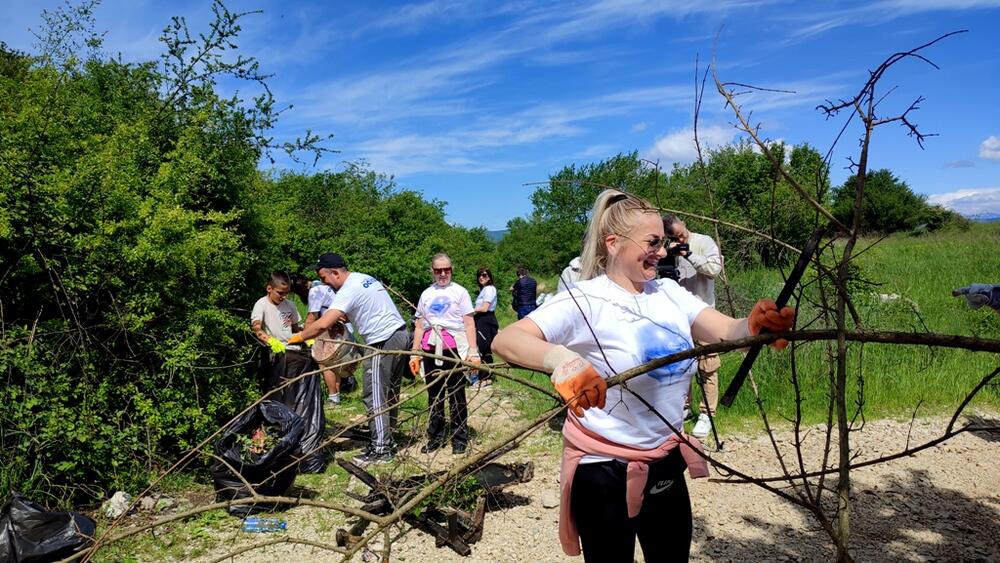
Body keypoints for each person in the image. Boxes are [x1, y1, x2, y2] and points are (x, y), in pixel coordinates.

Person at [492, 189, 795, 561]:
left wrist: (756, 324)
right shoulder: (586, 299)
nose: (663, 251)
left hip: (665, 457)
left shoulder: (668, 292)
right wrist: (563, 361)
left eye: (664, 242)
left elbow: (726, 331)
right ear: (613, 243)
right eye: (652, 242)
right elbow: (507, 340)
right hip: (602, 468)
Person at [289, 253, 411, 466]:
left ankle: (381, 449)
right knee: (390, 391)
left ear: (335, 272)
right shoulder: (364, 278)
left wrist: (296, 338)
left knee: (374, 394)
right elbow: (361, 308)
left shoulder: (347, 290)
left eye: (324, 277)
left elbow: (320, 325)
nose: (324, 283)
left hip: (381, 341)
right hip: (400, 334)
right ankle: (387, 439)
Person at [251, 271, 326, 473]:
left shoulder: (289, 305)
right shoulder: (262, 305)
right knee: (276, 398)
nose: (283, 297)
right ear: (269, 289)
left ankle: (305, 449)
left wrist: (306, 338)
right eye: (280, 293)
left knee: (299, 399)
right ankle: (269, 447)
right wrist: (270, 341)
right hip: (276, 358)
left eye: (286, 293)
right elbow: (256, 328)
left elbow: (296, 326)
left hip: (294, 355)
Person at [408, 254, 479, 455]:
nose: (442, 274)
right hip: (430, 350)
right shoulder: (426, 294)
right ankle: (436, 437)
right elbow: (419, 325)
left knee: (457, 394)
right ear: (432, 271)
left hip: (453, 349)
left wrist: (473, 352)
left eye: (446, 269)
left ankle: (459, 438)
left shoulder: (460, 292)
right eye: (438, 270)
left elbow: (469, 323)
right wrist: (415, 353)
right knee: (434, 394)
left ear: (451, 269)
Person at [663, 215, 725, 440]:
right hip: (677, 316)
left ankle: (707, 413)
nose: (681, 238)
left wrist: (687, 253)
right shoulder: (664, 249)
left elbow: (714, 269)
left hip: (703, 314)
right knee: (682, 365)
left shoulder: (703, 241)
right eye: (675, 237)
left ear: (684, 224)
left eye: (682, 233)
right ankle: (684, 407)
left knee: (708, 366)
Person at [472, 267, 499, 386]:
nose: (481, 277)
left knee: (483, 348)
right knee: (484, 348)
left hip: (486, 319)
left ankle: (485, 377)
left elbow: (484, 308)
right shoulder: (484, 290)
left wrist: (469, 310)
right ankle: (486, 375)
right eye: (479, 275)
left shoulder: (489, 289)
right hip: (481, 319)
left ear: (489, 276)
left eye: (484, 275)